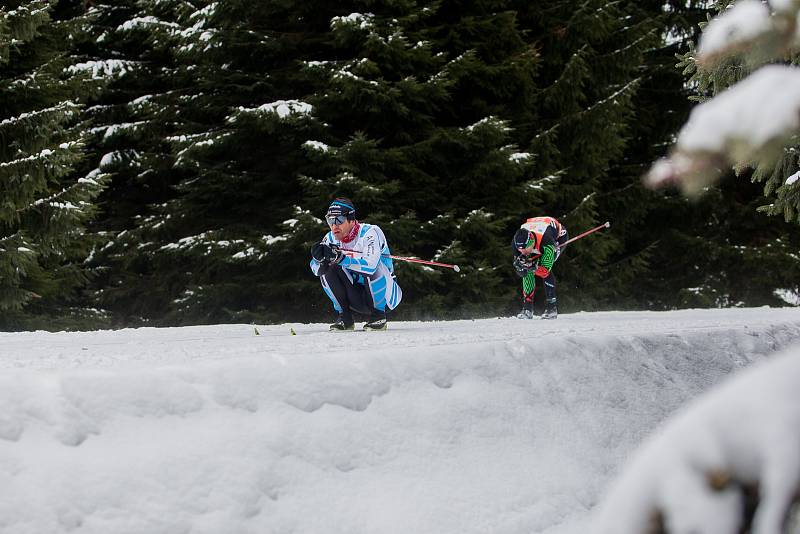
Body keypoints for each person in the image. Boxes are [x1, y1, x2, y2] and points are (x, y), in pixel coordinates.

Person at [310, 198, 402, 331]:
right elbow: (315, 270)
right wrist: (318, 261)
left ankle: (378, 316)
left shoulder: (370, 232)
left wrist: (342, 259)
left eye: (339, 220)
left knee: (374, 266)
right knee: (328, 267)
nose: (334, 225)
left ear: (351, 220)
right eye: (330, 220)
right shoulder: (330, 238)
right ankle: (345, 318)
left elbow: (371, 267)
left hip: (385, 296)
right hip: (357, 297)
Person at [512, 216, 568, 320]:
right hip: (537, 230)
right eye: (520, 250)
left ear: (532, 242)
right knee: (526, 267)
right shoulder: (517, 243)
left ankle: (552, 309)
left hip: (558, 237)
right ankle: (527, 309)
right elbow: (522, 273)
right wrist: (520, 268)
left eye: (525, 249)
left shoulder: (546, 241)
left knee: (544, 267)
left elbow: (545, 271)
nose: (523, 252)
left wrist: (534, 267)